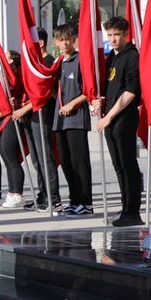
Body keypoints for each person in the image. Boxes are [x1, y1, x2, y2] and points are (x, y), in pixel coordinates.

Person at [94, 16, 143, 227]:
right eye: (110, 35)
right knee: (118, 165)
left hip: (124, 117)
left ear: (125, 35)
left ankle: (133, 211)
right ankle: (125, 208)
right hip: (110, 119)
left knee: (128, 163)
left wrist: (109, 116)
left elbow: (131, 90)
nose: (113, 39)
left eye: (117, 35)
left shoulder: (132, 55)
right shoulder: (109, 58)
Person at [12, 28, 61, 212]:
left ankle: (53, 197)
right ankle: (42, 194)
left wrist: (23, 109)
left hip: (42, 116)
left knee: (45, 157)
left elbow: (44, 95)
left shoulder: (47, 63)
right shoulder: (34, 65)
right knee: (35, 160)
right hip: (30, 118)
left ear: (40, 43)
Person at [52, 24, 95, 218]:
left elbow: (88, 91)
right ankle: (74, 200)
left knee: (79, 162)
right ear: (56, 42)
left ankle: (86, 202)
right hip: (59, 120)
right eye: (61, 39)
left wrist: (72, 104)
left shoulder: (80, 61)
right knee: (67, 163)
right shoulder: (58, 63)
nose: (65, 43)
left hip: (76, 119)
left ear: (74, 39)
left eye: (68, 39)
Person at [0, 51, 27, 209]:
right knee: (7, 160)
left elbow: (9, 104)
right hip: (1, 120)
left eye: (5, 56)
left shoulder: (15, 77)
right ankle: (11, 192)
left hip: (11, 119)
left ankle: (18, 194)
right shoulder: (2, 77)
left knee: (12, 158)